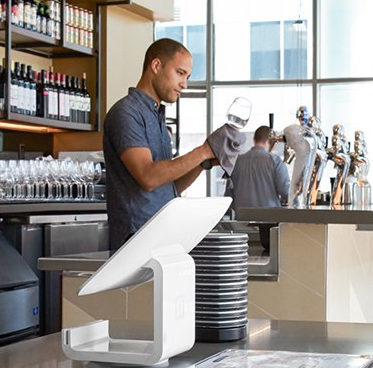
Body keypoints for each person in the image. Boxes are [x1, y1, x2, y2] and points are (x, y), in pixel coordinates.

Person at [102, 39, 215, 250]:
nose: (185, 84)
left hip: (161, 235)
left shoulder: (157, 116)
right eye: (180, 73)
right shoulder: (126, 113)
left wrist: (204, 162)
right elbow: (149, 176)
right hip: (135, 241)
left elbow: (170, 186)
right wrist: (201, 152)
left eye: (187, 77)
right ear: (156, 66)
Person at [227, 125, 290, 214]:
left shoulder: (236, 162)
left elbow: (229, 197)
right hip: (270, 219)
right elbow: (286, 192)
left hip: (242, 221)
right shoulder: (274, 161)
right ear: (271, 141)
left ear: (254, 140)